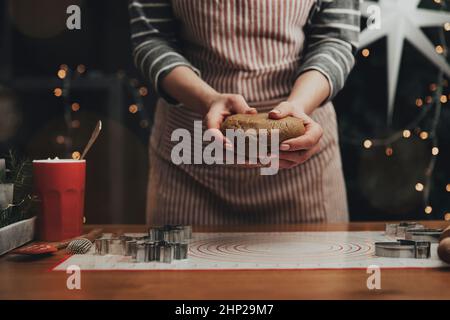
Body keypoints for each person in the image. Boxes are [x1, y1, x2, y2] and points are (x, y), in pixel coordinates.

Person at [129, 0, 360, 225]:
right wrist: (207, 99)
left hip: (301, 157)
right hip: (191, 155)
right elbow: (152, 37)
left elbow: (335, 39)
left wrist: (299, 105)